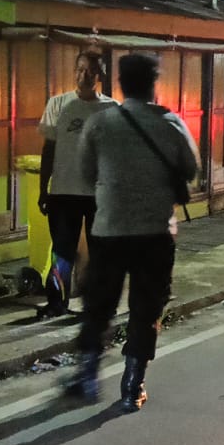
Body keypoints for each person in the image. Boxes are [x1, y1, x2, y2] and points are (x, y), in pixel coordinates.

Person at [65, 53, 199, 413]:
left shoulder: (100, 123)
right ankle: (132, 384)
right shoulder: (170, 123)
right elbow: (191, 169)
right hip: (155, 232)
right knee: (146, 307)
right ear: (153, 84)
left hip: (109, 229)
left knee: (98, 304)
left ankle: (87, 373)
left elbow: (85, 173)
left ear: (121, 84)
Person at [37, 49, 115, 317]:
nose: (84, 76)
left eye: (91, 71)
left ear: (99, 75)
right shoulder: (57, 104)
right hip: (63, 191)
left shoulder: (111, 109)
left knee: (100, 252)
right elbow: (48, 150)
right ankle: (56, 303)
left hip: (98, 194)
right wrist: (43, 189)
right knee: (62, 251)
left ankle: (97, 304)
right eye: (80, 70)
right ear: (74, 72)